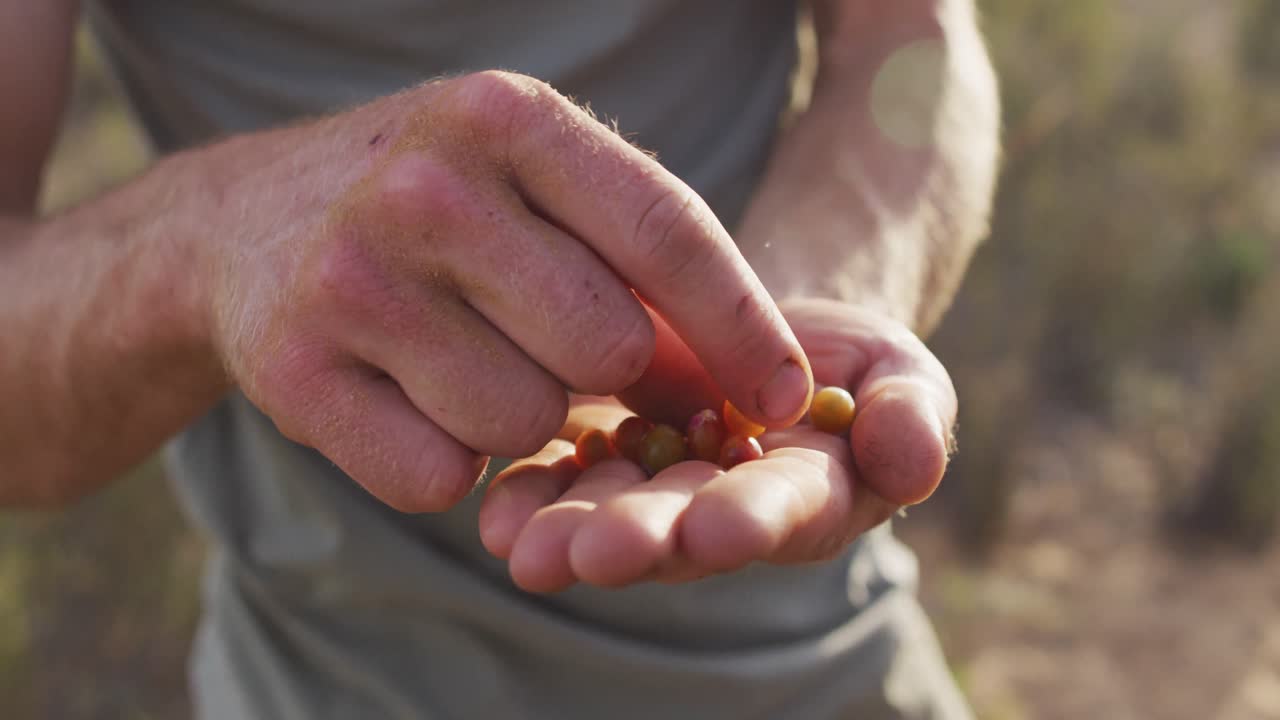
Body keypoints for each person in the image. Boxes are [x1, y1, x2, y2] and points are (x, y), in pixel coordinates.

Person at [0, 0, 1000, 717]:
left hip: (819, 666)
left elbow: (906, 37)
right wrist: (206, 239)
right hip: (328, 677)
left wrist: (812, 317)